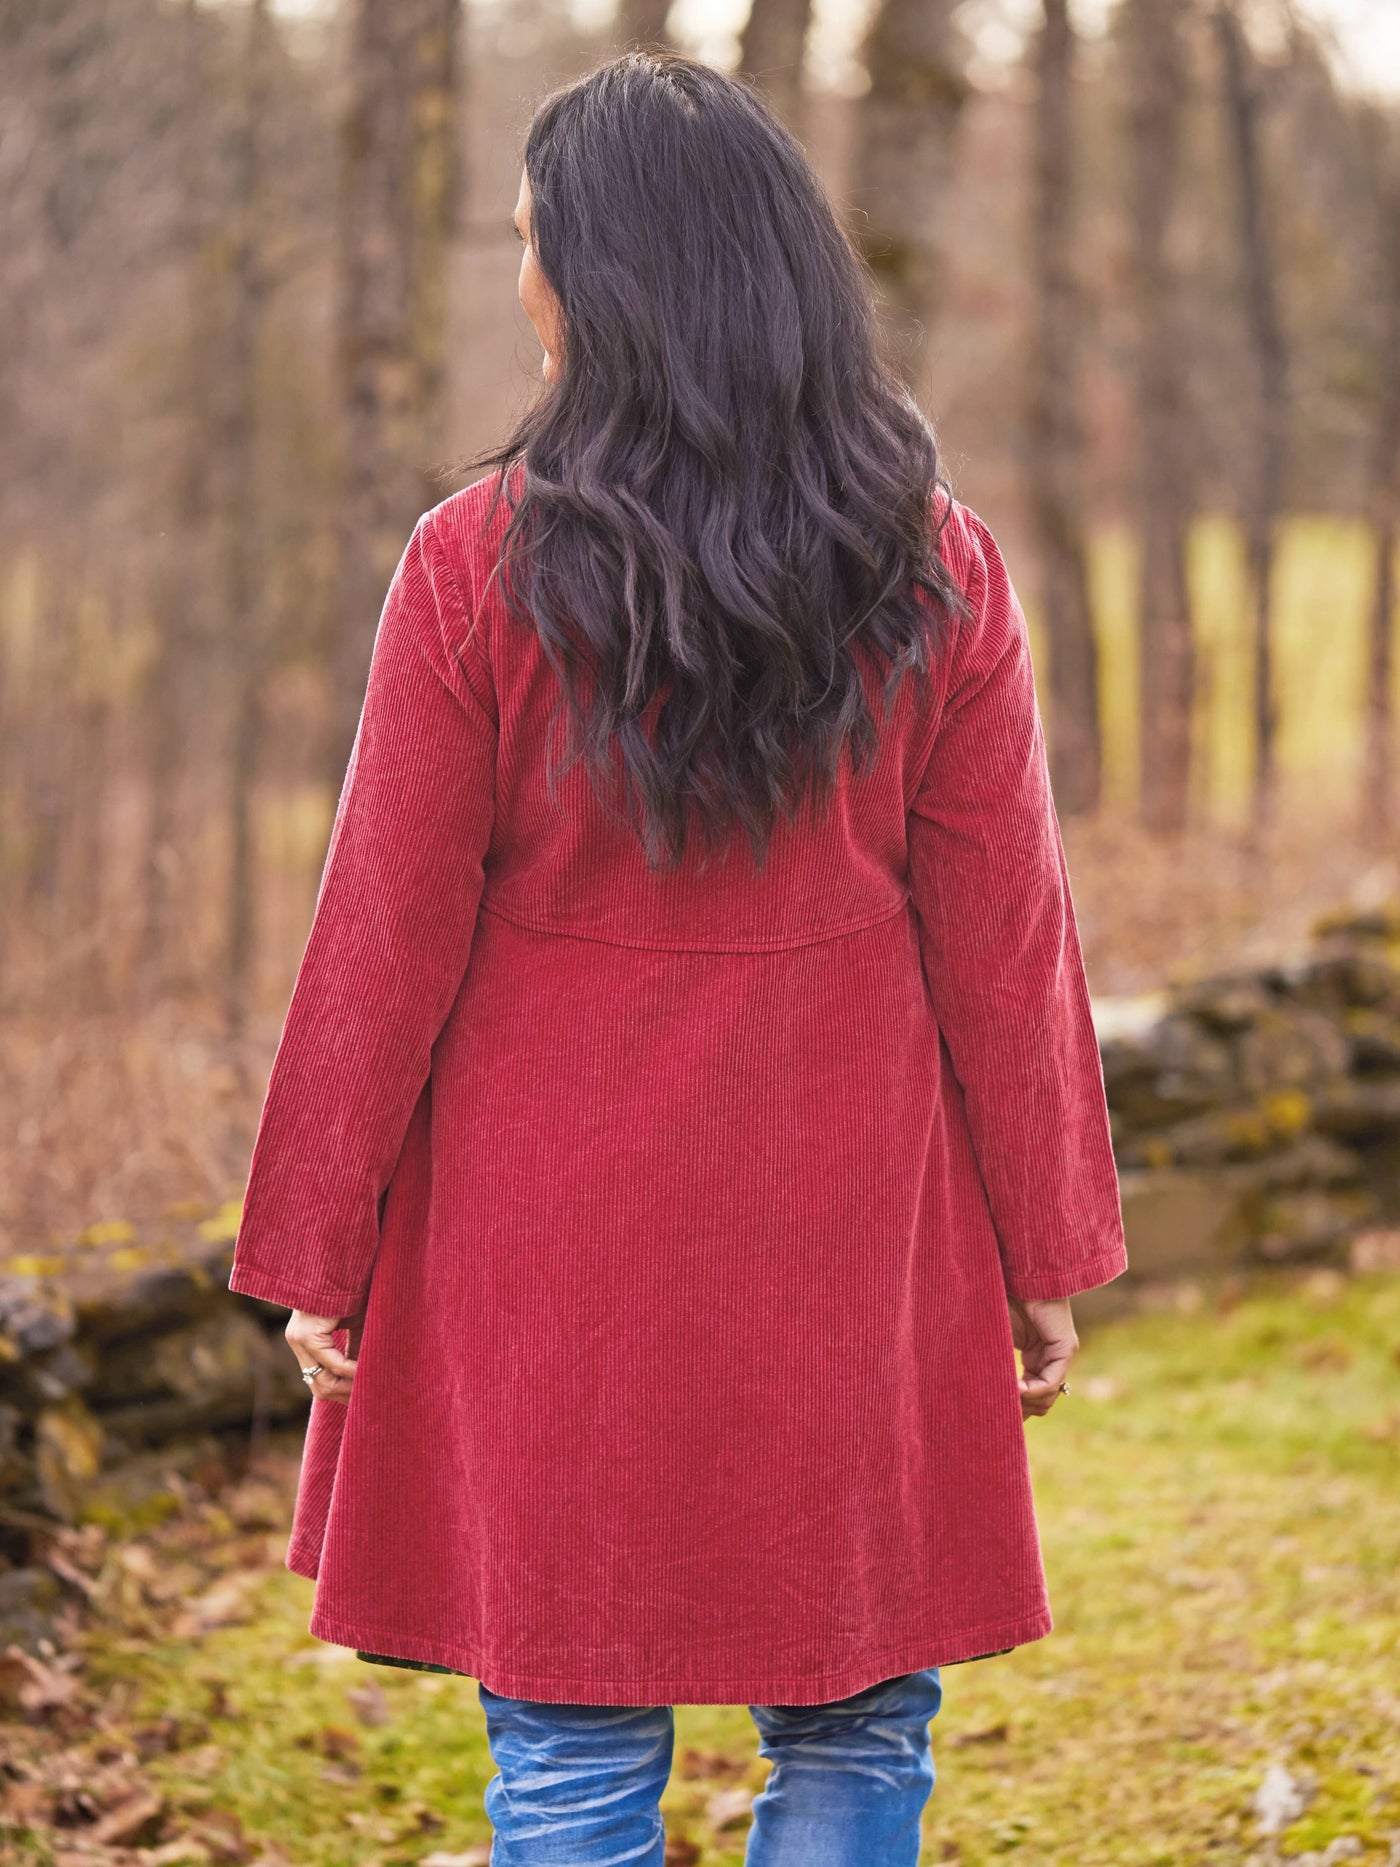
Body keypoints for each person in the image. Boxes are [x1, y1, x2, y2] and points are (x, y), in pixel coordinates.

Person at [227, 49, 1126, 1867]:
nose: (522, 287)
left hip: (543, 1236)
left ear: (609, 281)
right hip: (847, 1227)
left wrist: (320, 1243)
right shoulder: (933, 568)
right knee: (860, 1735)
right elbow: (1007, 943)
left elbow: (381, 938)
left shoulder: (470, 568)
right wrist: (1046, 1249)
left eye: (534, 246)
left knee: (567, 1757)